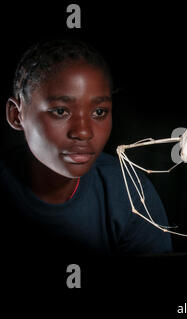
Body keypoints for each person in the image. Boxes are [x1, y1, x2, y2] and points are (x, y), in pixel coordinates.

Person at [1, 39, 172, 257]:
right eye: (61, 111)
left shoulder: (130, 194)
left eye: (99, 112)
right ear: (17, 115)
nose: (83, 132)